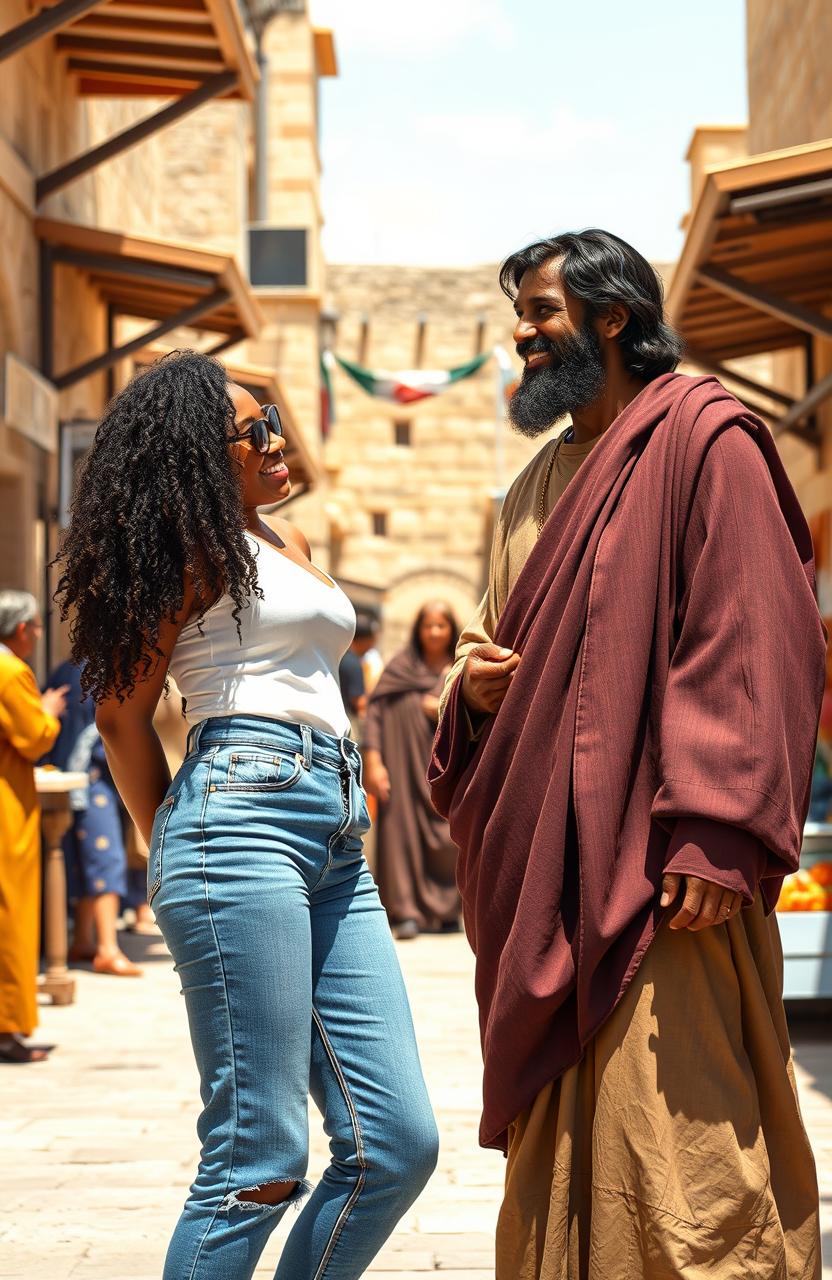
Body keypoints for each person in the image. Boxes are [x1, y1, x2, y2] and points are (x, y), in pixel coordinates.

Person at [428, 230, 825, 1279]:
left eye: (541, 310)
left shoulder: (706, 439)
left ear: (611, 317)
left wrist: (716, 826)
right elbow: (483, 644)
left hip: (661, 878)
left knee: (682, 1144)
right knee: (563, 1144)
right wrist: (465, 697)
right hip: (544, 888)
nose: (520, 332)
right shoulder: (526, 489)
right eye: (516, 312)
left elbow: (754, 637)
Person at [54, 350, 438, 1280]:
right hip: (238, 816)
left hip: (336, 829)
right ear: (197, 452)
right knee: (258, 1158)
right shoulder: (186, 551)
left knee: (395, 1145)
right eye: (252, 429)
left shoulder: (285, 543)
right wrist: (178, 841)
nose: (276, 438)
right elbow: (121, 716)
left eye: (272, 417)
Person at [364, 602, 461, 940]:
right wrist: (373, 760)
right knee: (400, 836)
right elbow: (374, 712)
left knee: (448, 835)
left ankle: (446, 909)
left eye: (441, 625)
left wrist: (444, 706)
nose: (434, 632)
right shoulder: (400, 667)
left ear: (452, 630)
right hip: (401, 765)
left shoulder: (460, 668)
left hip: (446, 768)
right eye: (428, 625)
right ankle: (405, 912)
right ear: (418, 630)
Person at [0, 591, 66, 1063]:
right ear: (22, 629)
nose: (40, 634)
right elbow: (34, 737)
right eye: (38, 626)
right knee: (10, 913)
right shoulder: (10, 672)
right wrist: (47, 711)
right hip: (7, 807)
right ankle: (6, 1026)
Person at [45, 658, 142, 977]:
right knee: (105, 858)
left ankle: (84, 939)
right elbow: (106, 732)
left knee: (84, 863)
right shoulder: (104, 670)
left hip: (72, 778)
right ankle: (107, 947)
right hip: (93, 780)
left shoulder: (67, 669)